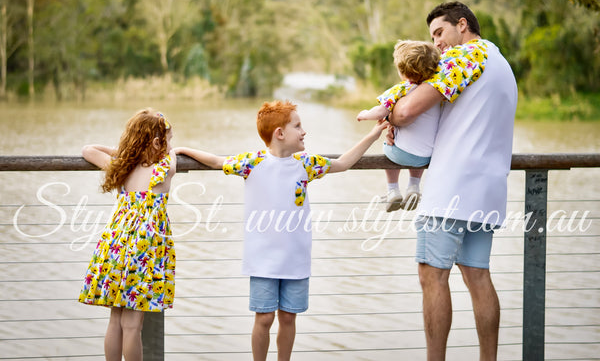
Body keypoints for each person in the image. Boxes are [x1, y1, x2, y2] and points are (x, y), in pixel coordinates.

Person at [175, 100, 388, 361]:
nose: (303, 131)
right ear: (280, 134)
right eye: (298, 126)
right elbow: (218, 161)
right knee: (263, 318)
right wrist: (184, 149)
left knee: (288, 317)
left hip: (296, 258)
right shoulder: (252, 162)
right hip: (262, 259)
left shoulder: (306, 164)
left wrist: (373, 134)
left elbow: (343, 163)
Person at [387, 2, 518, 360]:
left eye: (439, 33)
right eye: (432, 37)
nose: (437, 44)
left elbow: (406, 110)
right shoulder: (500, 62)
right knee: (478, 276)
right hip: (489, 187)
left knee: (431, 274)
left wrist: (392, 111)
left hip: (451, 188)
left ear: (462, 25)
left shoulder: (466, 56)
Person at [78, 108, 177, 361]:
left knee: (115, 321)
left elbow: (88, 150)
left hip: (116, 246)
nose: (170, 146)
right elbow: (173, 157)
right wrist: (176, 150)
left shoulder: (122, 167)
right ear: (157, 143)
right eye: (168, 139)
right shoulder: (163, 168)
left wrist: (124, 152)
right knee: (133, 326)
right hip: (143, 251)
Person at [357, 40, 441, 212]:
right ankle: (413, 186)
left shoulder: (401, 89)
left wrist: (364, 114)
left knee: (388, 147)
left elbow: (380, 112)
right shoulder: (435, 92)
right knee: (418, 147)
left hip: (401, 153)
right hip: (426, 157)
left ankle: (393, 190)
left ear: (402, 70)